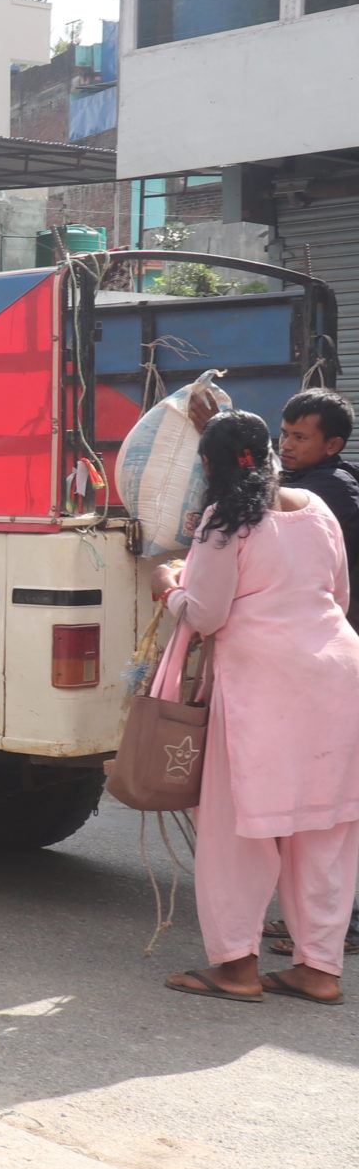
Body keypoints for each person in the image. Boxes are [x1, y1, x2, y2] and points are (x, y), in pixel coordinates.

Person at [152, 411, 359, 1004]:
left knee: (237, 829)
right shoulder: (316, 510)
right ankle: (319, 970)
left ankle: (237, 968)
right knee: (326, 826)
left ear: (211, 467)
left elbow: (207, 613)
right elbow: (336, 597)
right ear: (268, 451)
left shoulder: (226, 521)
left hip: (264, 689)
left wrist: (168, 587)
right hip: (339, 675)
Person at [276, 388, 359, 616]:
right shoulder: (301, 477)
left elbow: (262, 498)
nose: (286, 445)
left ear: (332, 445)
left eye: (299, 437)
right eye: (285, 434)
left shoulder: (332, 485)